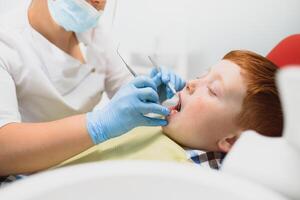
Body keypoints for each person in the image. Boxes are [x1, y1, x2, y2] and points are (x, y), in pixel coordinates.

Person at [0, 0, 186, 177]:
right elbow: (3, 151)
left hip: (80, 164)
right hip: (27, 173)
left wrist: (151, 92)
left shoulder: (94, 31)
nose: (99, 3)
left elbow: (122, 86)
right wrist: (97, 125)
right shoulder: (6, 42)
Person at [51, 50, 284, 172]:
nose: (191, 83)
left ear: (230, 140)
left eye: (212, 90)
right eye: (202, 74)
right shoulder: (149, 124)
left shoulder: (190, 180)